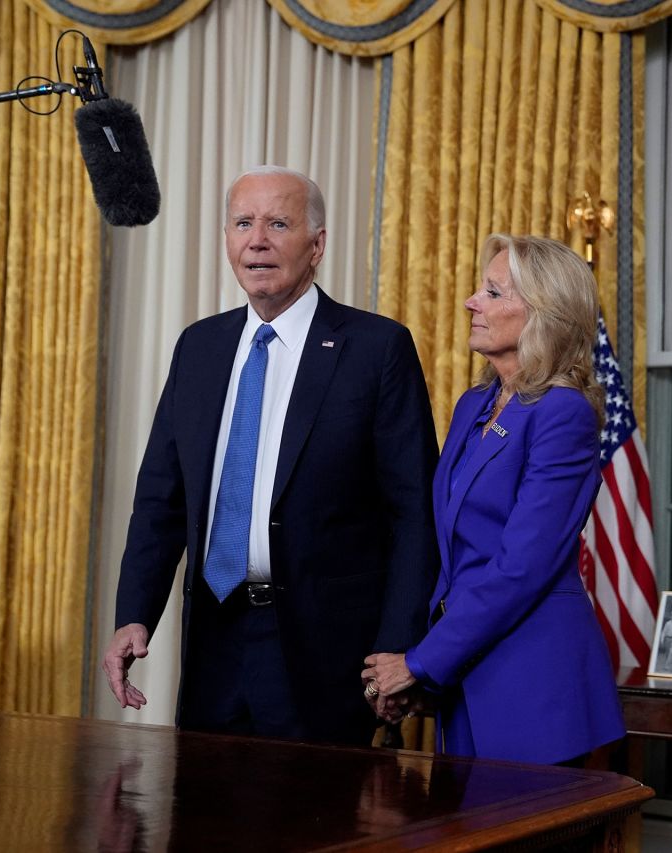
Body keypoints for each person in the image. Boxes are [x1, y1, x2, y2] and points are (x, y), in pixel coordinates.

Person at [101, 166, 439, 745]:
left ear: (317, 244)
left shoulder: (377, 349)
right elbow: (161, 498)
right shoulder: (199, 346)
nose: (256, 240)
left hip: (327, 653)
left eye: (277, 223)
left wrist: (398, 645)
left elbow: (414, 514)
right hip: (215, 639)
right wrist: (134, 612)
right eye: (242, 223)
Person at [360, 234, 625, 765]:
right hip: (467, 679)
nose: (470, 302)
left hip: (536, 689)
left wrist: (420, 662)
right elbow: (453, 557)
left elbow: (520, 568)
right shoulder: (474, 405)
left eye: (493, 292)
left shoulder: (564, 414)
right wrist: (426, 676)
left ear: (544, 314)